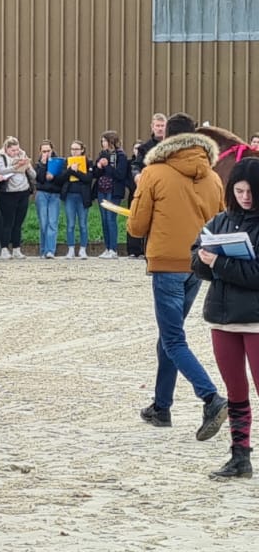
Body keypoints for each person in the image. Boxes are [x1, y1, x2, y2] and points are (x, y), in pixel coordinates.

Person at [129, 113, 229, 440]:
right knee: (169, 336)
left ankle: (210, 397)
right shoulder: (213, 178)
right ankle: (161, 406)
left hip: (167, 264)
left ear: (165, 139)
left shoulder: (154, 173)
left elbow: (136, 227)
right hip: (197, 265)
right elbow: (221, 225)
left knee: (173, 339)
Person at [192, 158, 259, 479]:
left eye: (252, 191)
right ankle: (239, 457)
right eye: (240, 190)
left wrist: (219, 264)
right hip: (222, 319)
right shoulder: (219, 221)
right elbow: (197, 259)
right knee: (235, 392)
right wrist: (205, 260)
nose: (246, 197)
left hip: (256, 321)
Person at [129, 114, 169, 259]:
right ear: (152, 127)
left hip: (171, 190)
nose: (159, 128)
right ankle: (150, 256)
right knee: (151, 224)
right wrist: (136, 175)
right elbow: (135, 165)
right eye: (157, 126)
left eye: (162, 126)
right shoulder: (144, 148)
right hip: (152, 191)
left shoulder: (174, 145)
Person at [0, 137, 36, 259]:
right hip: (7, 193)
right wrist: (17, 166)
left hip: (23, 191)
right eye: (13, 150)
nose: (15, 152)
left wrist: (27, 165)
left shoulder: (22, 156)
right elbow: (1, 171)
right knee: (8, 222)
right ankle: (5, 248)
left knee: (18, 222)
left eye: (17, 150)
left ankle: (17, 248)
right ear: (6, 149)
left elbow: (34, 175)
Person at [95, 131, 132, 259]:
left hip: (113, 191)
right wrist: (99, 167)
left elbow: (120, 175)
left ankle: (113, 249)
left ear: (111, 141)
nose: (103, 143)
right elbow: (96, 173)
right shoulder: (102, 155)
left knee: (111, 219)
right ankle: (107, 247)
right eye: (102, 141)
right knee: (104, 219)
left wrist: (107, 166)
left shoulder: (121, 156)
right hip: (102, 190)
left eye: (104, 141)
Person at [58, 140, 95, 259]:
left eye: (76, 149)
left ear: (82, 150)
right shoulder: (66, 162)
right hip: (70, 196)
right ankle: (71, 249)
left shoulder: (88, 162)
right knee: (70, 224)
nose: (74, 151)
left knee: (83, 224)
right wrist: (69, 170)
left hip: (83, 196)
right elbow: (61, 178)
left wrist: (76, 171)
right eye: (72, 149)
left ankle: (83, 249)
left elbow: (88, 178)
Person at [32, 140, 64, 259]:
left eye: (48, 151)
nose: (46, 153)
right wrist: (44, 165)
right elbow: (39, 179)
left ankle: (50, 250)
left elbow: (62, 179)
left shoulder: (58, 162)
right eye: (44, 151)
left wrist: (53, 177)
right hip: (42, 193)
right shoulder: (39, 164)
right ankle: (43, 250)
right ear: (40, 152)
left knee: (52, 222)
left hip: (54, 194)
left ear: (52, 150)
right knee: (43, 222)